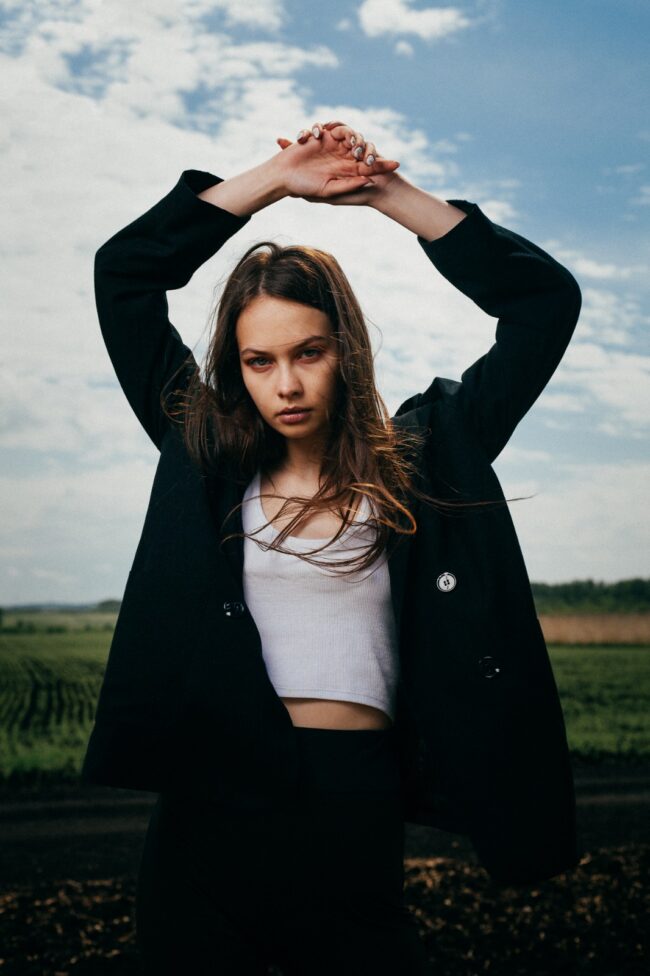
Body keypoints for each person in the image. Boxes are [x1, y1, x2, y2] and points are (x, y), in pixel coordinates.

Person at [81, 120, 582, 974]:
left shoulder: (429, 457)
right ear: (237, 367)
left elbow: (543, 304)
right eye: (258, 361)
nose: (286, 384)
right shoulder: (205, 457)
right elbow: (124, 273)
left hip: (353, 793)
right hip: (210, 801)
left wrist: (385, 192)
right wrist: (275, 178)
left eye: (308, 353)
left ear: (344, 350)